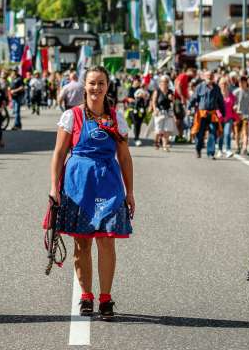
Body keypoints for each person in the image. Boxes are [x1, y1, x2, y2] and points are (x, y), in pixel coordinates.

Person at [49, 66, 134, 321]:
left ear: (107, 86)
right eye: (92, 83)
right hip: (78, 185)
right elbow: (59, 153)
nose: (96, 88)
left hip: (108, 183)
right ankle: (86, 296)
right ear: (84, 86)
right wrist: (54, 187)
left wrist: (130, 192)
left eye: (101, 83)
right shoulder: (71, 116)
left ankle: (105, 298)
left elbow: (125, 157)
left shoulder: (117, 118)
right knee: (82, 241)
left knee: (107, 240)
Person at [188, 70, 225, 159]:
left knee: (213, 132)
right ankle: (198, 149)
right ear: (204, 77)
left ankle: (211, 153)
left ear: (213, 77)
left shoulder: (217, 88)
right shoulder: (200, 87)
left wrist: (223, 113)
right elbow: (193, 98)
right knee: (200, 134)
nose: (210, 77)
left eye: (211, 76)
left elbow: (221, 101)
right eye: (208, 76)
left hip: (212, 114)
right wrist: (189, 108)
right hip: (201, 114)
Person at [150, 75, 177, 151]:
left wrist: (172, 98)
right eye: (163, 81)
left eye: (166, 82)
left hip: (168, 112)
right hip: (159, 112)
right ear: (160, 82)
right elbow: (154, 101)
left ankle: (165, 145)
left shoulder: (170, 91)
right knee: (158, 130)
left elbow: (173, 101)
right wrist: (155, 110)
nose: (165, 83)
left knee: (167, 130)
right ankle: (156, 142)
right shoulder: (157, 90)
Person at [218, 77, 237, 158]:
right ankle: (220, 150)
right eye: (222, 84)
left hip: (229, 117)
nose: (224, 85)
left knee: (227, 133)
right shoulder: (218, 94)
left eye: (225, 84)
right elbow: (216, 106)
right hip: (220, 118)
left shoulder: (231, 95)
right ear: (220, 85)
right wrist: (219, 114)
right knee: (220, 135)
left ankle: (228, 150)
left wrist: (235, 107)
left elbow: (234, 104)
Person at [233, 75, 249, 155]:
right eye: (240, 82)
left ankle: (244, 148)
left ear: (246, 82)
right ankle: (237, 147)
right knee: (237, 132)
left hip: (246, 115)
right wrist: (234, 107)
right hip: (237, 114)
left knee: (245, 132)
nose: (241, 83)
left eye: (242, 82)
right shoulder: (235, 92)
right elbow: (232, 103)